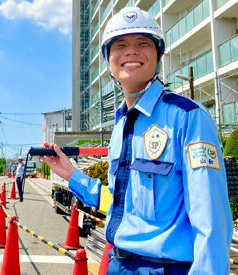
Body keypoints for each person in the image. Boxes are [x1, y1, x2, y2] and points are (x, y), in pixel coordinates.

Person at [41, 7, 233, 275]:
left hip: (167, 268)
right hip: (118, 265)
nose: (131, 51)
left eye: (143, 43)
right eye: (120, 45)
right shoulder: (121, 124)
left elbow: (211, 220)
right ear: (109, 60)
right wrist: (71, 174)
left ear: (158, 56)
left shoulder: (188, 118)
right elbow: (122, 201)